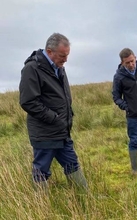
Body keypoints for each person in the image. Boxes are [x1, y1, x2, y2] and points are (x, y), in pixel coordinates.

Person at [19, 33, 88, 192]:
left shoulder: (59, 68)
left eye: (67, 55)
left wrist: (65, 119)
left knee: (72, 164)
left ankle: (86, 198)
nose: (65, 59)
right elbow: (28, 101)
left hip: (62, 131)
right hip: (44, 133)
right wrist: (54, 118)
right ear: (49, 52)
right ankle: (39, 208)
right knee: (41, 170)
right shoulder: (32, 69)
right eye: (62, 55)